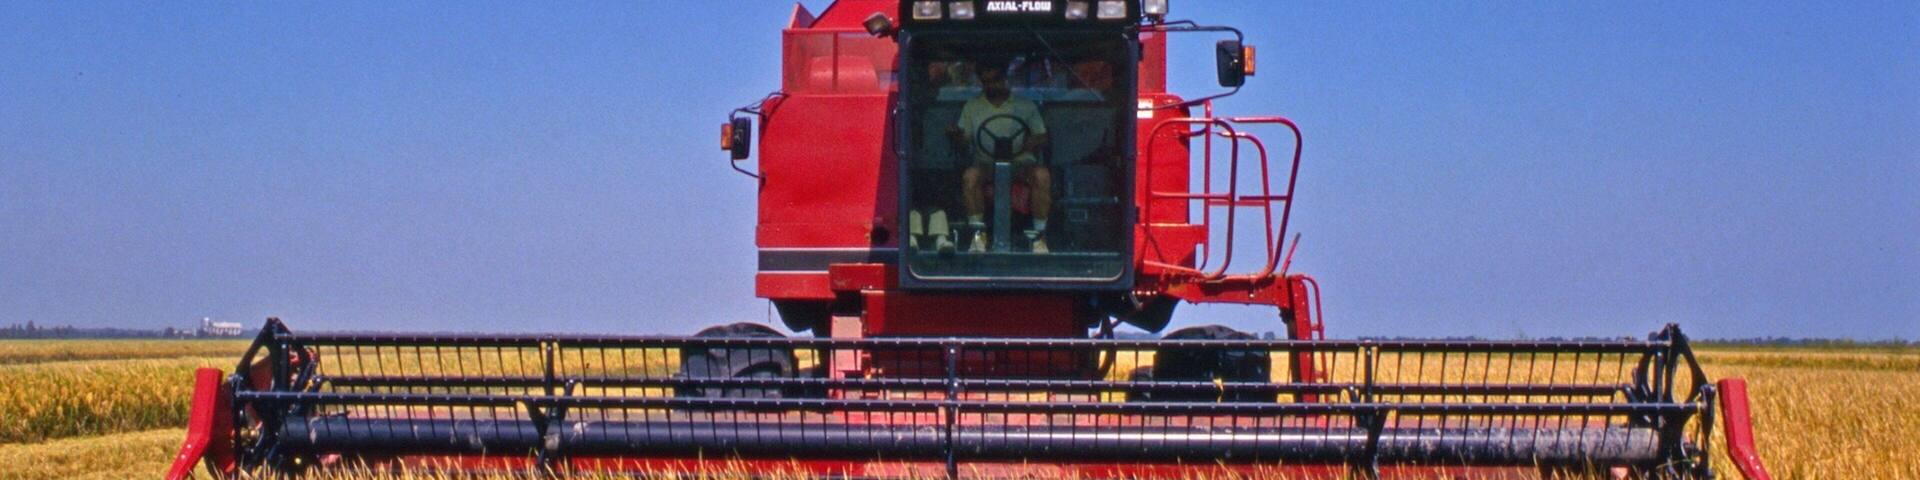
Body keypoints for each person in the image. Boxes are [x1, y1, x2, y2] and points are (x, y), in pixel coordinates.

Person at [947, 60, 1051, 253]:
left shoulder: (1025, 105)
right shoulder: (972, 106)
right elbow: (964, 140)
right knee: (970, 177)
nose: (991, 85)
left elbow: (1042, 136)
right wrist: (955, 135)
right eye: (986, 81)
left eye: (995, 80)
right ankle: (978, 234)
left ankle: (1039, 236)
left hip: (1021, 163)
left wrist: (1029, 143)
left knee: (1042, 175)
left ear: (1004, 79)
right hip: (986, 163)